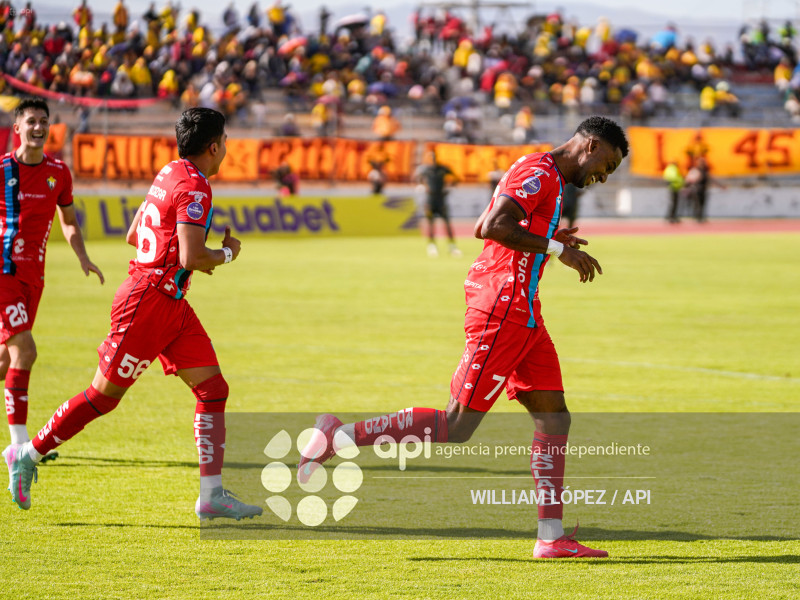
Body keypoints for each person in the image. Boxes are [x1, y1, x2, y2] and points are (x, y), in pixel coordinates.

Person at [298, 116, 629, 558]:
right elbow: (491, 226)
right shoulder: (540, 173)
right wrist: (556, 248)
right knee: (456, 425)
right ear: (590, 147)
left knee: (554, 418)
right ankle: (337, 435)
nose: (603, 176)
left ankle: (551, 537)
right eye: (607, 166)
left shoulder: (540, 170)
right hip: (503, 309)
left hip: (526, 312)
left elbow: (492, 225)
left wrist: (550, 235)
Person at [3, 108, 262, 521]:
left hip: (171, 303)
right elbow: (193, 256)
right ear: (214, 147)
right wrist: (227, 253)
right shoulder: (196, 187)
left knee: (214, 389)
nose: (227, 148)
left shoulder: (168, 173)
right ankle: (28, 453)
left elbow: (132, 235)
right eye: (226, 141)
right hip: (146, 304)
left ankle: (211, 495)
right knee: (102, 397)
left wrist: (180, 257)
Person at [1, 98, 104, 457]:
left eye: (43, 121)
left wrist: (83, 257)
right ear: (17, 128)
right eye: (31, 121)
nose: (38, 127)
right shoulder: (2, 169)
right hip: (4, 272)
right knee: (26, 351)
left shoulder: (58, 172)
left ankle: (19, 443)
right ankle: (19, 448)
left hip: (34, 276)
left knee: (6, 361)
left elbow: (69, 221)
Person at [417, 151, 461, 257]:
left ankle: (452, 246)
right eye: (430, 158)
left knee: (447, 223)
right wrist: (424, 187)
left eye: (434, 157)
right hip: (430, 200)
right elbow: (418, 179)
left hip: (441, 199)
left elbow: (456, 177)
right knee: (431, 223)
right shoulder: (425, 169)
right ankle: (432, 246)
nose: (433, 160)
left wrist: (450, 188)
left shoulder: (442, 168)